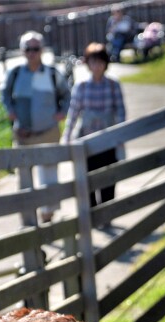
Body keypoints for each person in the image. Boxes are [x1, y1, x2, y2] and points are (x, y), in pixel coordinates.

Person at [0, 31, 71, 224]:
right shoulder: (15, 74)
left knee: (49, 175)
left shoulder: (51, 73)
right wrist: (10, 110)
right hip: (23, 134)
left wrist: (61, 113)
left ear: (42, 50)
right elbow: (4, 94)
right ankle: (28, 216)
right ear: (22, 51)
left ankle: (47, 215)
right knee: (24, 178)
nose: (32, 53)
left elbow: (66, 94)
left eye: (35, 49)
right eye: (28, 49)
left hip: (48, 131)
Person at [61, 42, 126, 208]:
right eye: (93, 62)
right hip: (87, 142)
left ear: (105, 64)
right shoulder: (81, 86)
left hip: (108, 141)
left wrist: (120, 137)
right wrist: (67, 137)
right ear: (88, 63)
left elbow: (120, 113)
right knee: (88, 181)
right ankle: (93, 216)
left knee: (108, 180)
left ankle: (107, 213)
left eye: (100, 62)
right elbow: (73, 114)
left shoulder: (113, 85)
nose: (97, 66)